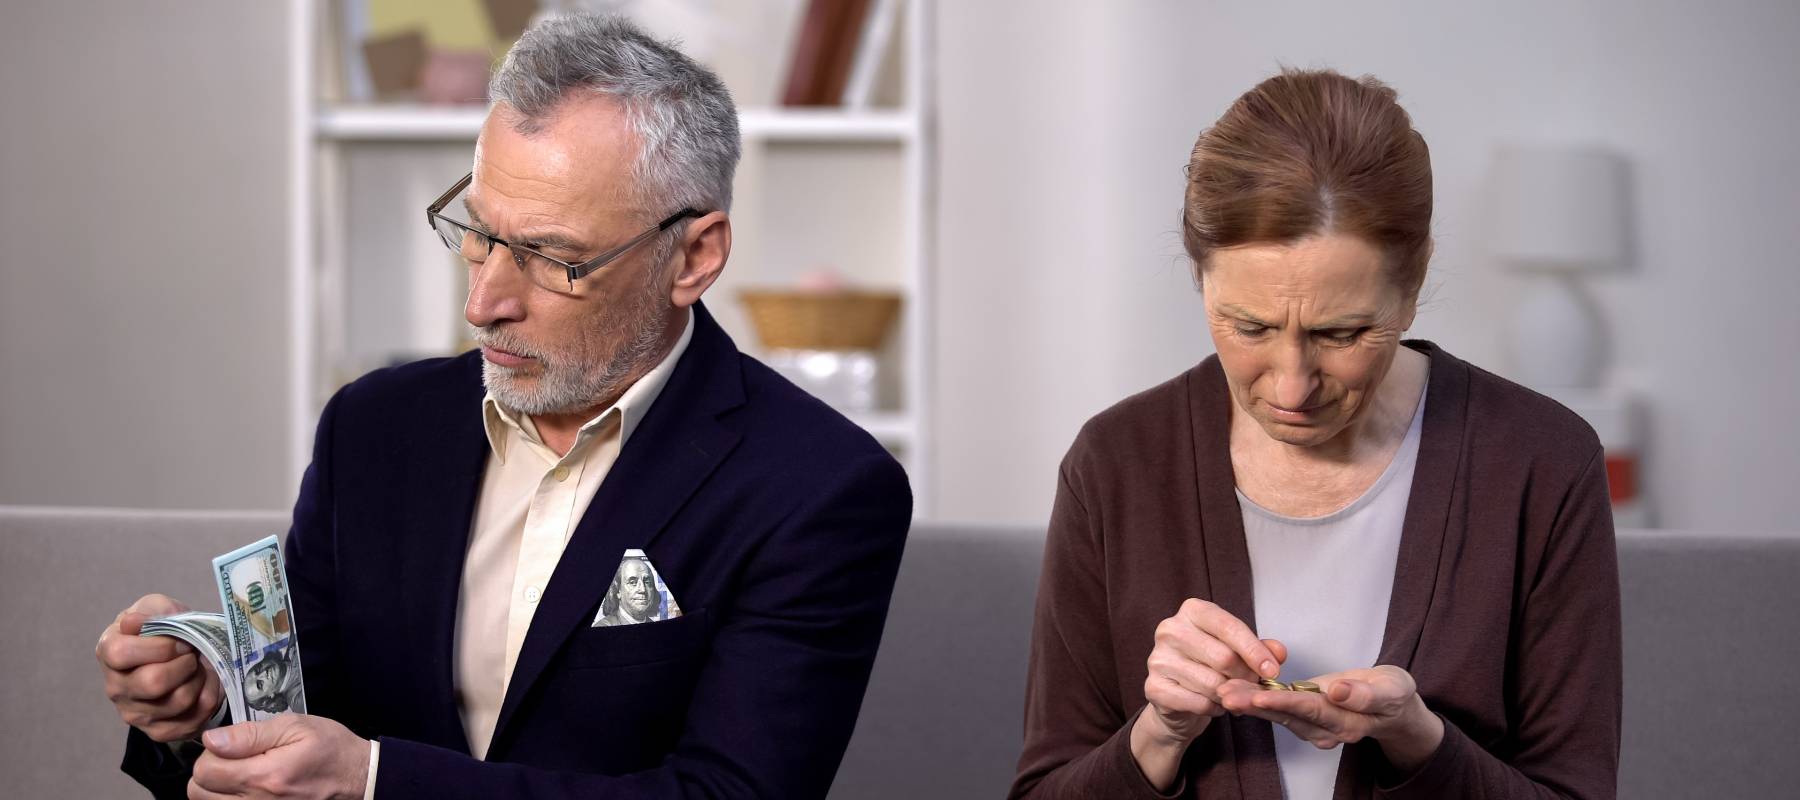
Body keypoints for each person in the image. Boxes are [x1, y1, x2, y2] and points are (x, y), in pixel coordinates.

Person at [94, 13, 911, 800]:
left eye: (551, 258)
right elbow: (300, 722)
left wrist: (376, 783)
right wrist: (203, 710)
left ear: (694, 256)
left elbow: (726, 793)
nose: (483, 302)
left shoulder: (821, 488)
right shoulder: (371, 431)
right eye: (479, 234)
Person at [1009, 69, 1620, 799]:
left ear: (1415, 280)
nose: (1292, 385)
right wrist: (1157, 733)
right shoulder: (1116, 464)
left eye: (1342, 332)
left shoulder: (1541, 463)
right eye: (1250, 327)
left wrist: (1418, 741)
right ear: (1200, 277)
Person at [595, 557, 663, 627]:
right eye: (632, 582)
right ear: (618, 590)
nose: (643, 589)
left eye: (647, 582)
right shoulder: (602, 627)